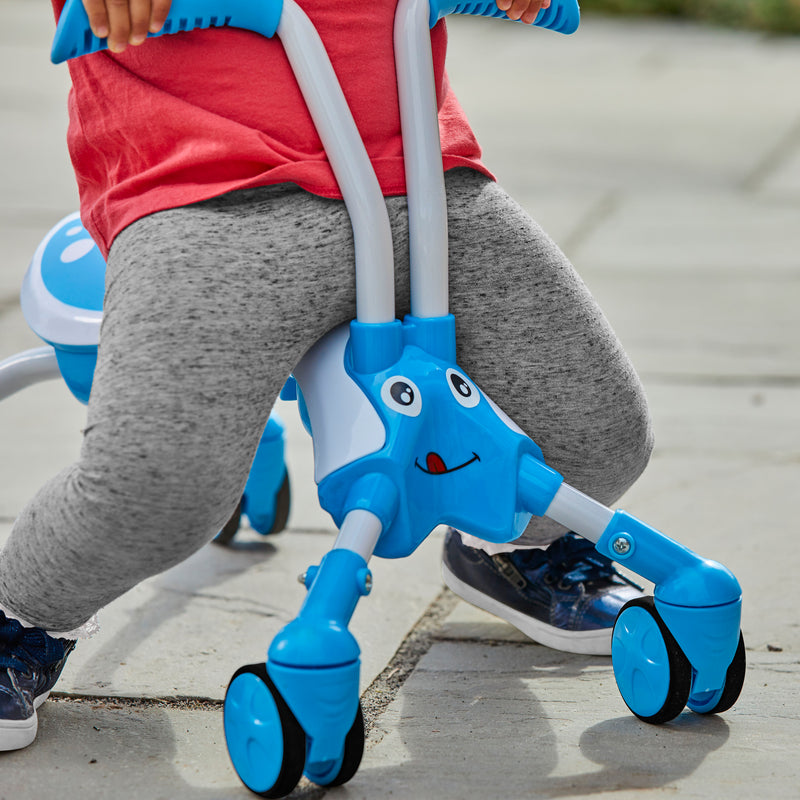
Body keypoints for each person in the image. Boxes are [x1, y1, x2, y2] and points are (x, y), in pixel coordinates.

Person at [0, 0, 651, 751]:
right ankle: (22, 614)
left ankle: (510, 553)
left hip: (417, 173)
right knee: (157, 487)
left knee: (597, 441)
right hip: (209, 187)